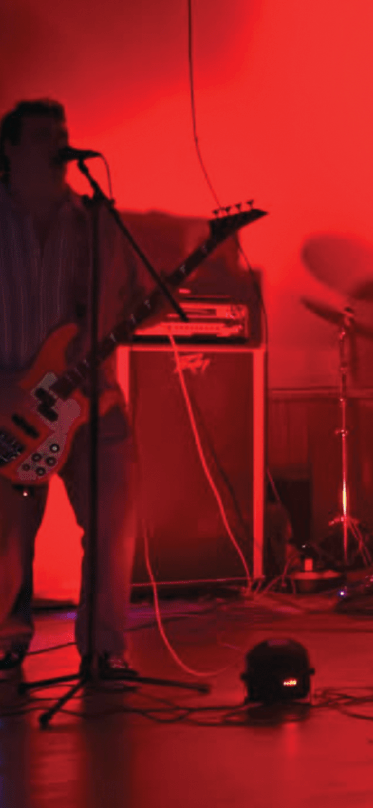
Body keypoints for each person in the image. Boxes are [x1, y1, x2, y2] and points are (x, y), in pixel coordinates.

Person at [0, 99, 141, 676]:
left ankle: (105, 649)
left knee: (113, 529)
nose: (58, 145)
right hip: (9, 405)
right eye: (41, 135)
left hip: (93, 399)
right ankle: (6, 642)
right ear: (9, 149)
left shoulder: (94, 221)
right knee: (7, 539)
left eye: (62, 134)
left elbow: (132, 296)